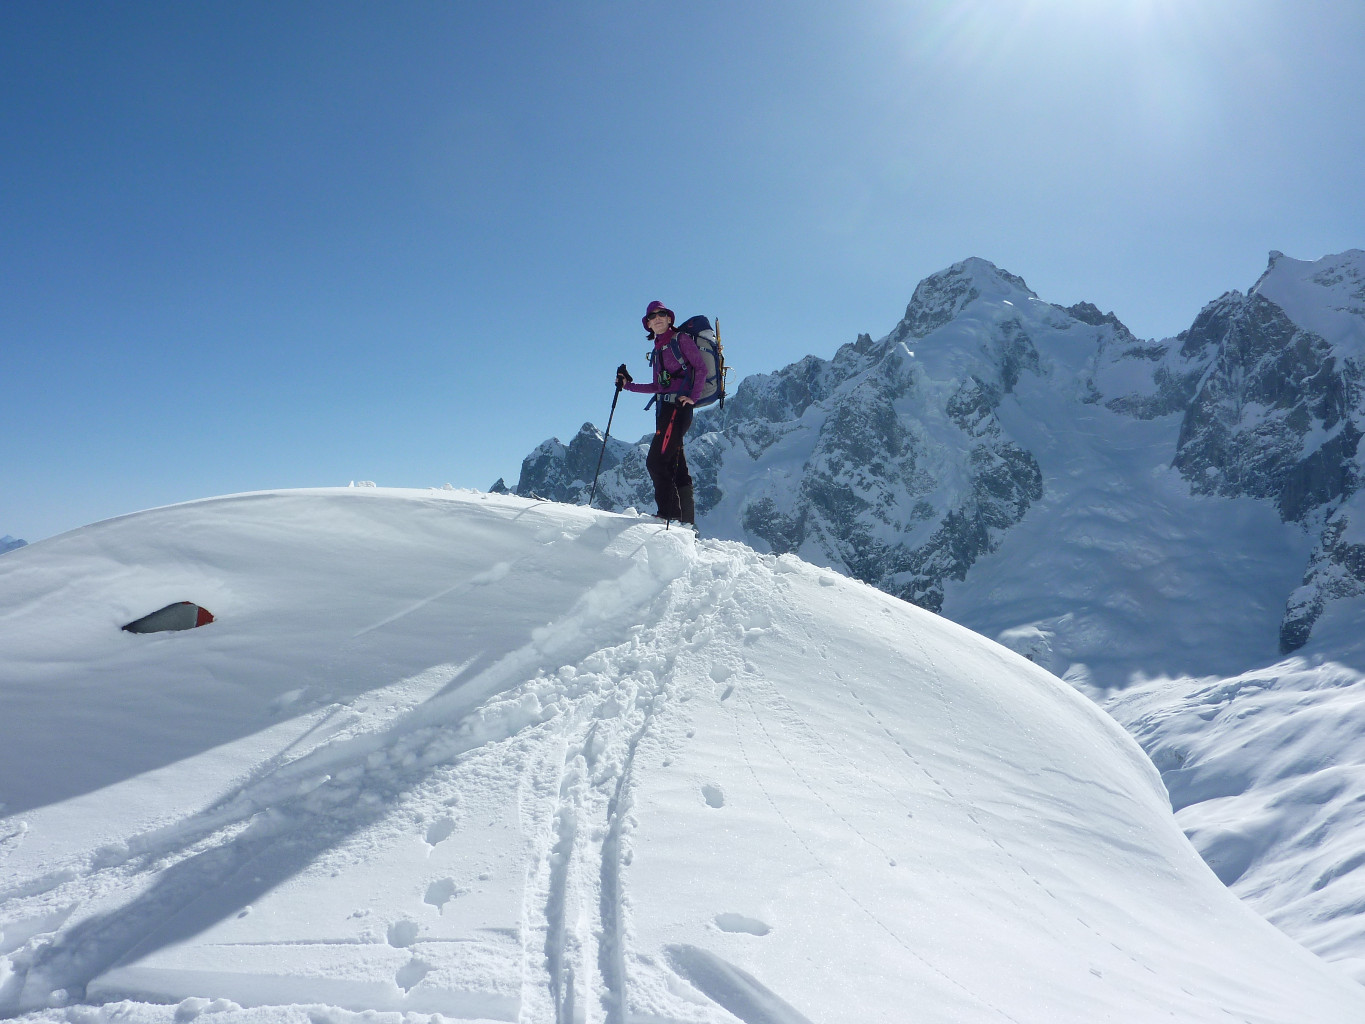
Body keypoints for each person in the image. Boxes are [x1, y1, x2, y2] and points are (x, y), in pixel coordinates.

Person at [617, 300, 707, 525]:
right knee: (677, 466)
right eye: (652, 316)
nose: (657, 318)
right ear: (648, 324)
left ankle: (670, 515)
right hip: (665, 409)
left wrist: (692, 399)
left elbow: (701, 367)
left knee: (657, 462)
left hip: (678, 408)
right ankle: (686, 523)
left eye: (662, 314)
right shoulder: (658, 348)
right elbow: (659, 386)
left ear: (669, 318)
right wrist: (628, 385)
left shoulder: (680, 340)